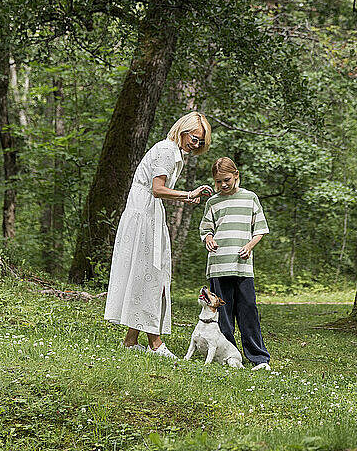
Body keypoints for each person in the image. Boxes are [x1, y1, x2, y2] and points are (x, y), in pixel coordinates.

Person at [104, 111, 213, 359]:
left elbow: (160, 192)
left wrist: (187, 197)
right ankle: (155, 343)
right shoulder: (166, 150)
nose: (195, 145)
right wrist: (187, 194)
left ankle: (131, 341)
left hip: (150, 215)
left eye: (199, 142)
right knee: (152, 275)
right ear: (183, 130)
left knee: (151, 274)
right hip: (143, 216)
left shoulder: (174, 154)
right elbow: (157, 189)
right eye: (194, 138)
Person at [199, 157, 271, 371]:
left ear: (236, 175)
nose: (223, 185)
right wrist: (209, 238)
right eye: (218, 181)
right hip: (218, 265)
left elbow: (260, 229)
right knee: (224, 314)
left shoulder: (250, 198)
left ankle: (259, 358)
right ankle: (228, 356)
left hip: (242, 266)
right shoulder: (213, 202)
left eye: (227, 180)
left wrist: (249, 246)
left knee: (248, 309)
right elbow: (205, 229)